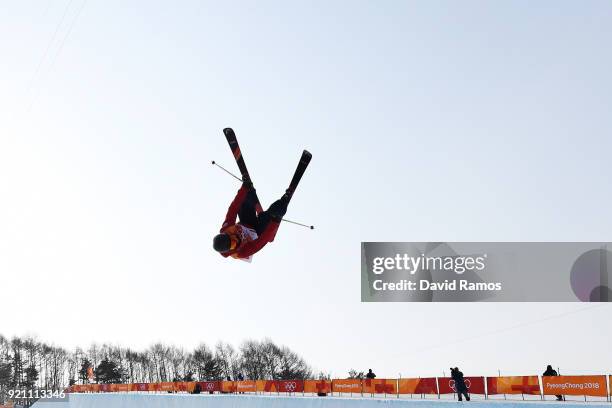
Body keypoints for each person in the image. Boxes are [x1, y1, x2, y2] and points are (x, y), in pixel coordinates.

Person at [213, 180, 290, 261]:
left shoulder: (227, 229)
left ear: (226, 234)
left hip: (246, 223)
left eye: (232, 238)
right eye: (233, 244)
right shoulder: (240, 252)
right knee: (273, 214)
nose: (235, 239)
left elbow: (233, 209)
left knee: (245, 198)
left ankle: (250, 193)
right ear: (230, 249)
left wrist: (244, 188)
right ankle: (280, 205)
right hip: (258, 232)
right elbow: (261, 241)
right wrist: (276, 221)